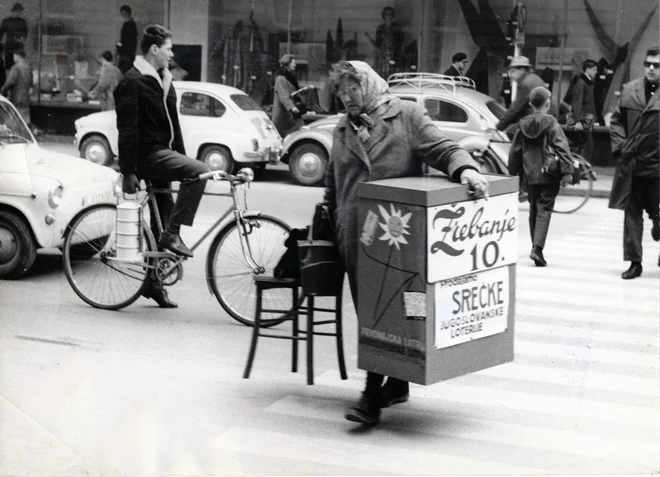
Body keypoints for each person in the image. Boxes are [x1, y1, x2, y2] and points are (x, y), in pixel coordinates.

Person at [323, 61, 489, 426]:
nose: (346, 97)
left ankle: (370, 395)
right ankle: (395, 384)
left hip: (399, 236)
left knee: (389, 310)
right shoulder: (341, 127)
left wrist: (467, 170)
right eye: (341, 91)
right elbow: (334, 184)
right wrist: (330, 220)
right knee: (370, 310)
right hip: (355, 233)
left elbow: (445, 149)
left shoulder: (407, 116)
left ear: (367, 84)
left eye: (352, 89)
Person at [114, 25, 209, 307]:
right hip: (147, 156)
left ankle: (152, 285)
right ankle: (172, 234)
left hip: (163, 154)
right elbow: (127, 130)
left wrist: (182, 158)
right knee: (200, 171)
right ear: (154, 50)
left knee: (163, 217)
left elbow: (174, 126)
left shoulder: (164, 79)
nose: (172, 53)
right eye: (168, 48)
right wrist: (128, 171)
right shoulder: (132, 81)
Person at [608, 46, 660, 280]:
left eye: (656, 65)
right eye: (648, 63)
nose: (651, 68)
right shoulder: (630, 89)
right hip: (632, 165)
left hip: (658, 168)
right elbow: (617, 120)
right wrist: (620, 145)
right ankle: (634, 262)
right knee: (631, 216)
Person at [509, 87, 574, 267]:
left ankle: (535, 246)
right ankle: (537, 248)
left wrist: (512, 173)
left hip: (530, 175)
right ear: (547, 103)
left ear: (530, 104)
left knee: (534, 211)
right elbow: (562, 147)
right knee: (544, 210)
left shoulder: (522, 124)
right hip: (550, 174)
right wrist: (568, 171)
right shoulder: (551, 122)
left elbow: (515, 151)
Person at [496, 56, 546, 133]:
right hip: (541, 122)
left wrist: (499, 126)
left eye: (513, 71)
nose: (511, 75)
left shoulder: (526, 84)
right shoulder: (534, 78)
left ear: (522, 70)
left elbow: (515, 109)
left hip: (534, 125)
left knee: (509, 132)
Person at [567, 59, 598, 162]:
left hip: (585, 120)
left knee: (584, 146)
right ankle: (582, 169)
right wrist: (578, 121)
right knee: (587, 145)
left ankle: (580, 168)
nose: (596, 72)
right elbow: (578, 102)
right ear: (587, 69)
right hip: (583, 121)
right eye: (594, 70)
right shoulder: (582, 83)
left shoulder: (585, 83)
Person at [364, 7, 404, 80]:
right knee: (382, 73)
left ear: (393, 15)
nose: (388, 16)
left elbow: (400, 42)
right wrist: (369, 38)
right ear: (383, 15)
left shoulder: (397, 27)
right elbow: (377, 44)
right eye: (386, 14)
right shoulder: (380, 28)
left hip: (393, 54)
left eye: (390, 14)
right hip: (382, 55)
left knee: (392, 73)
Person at [272, 54, 304, 138]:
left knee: (296, 133)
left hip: (289, 112)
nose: (295, 64)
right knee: (283, 136)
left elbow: (292, 91)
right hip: (283, 113)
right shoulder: (281, 78)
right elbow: (283, 95)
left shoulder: (289, 76)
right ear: (288, 64)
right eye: (293, 63)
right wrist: (292, 107)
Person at [1, 49, 32, 128]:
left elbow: (10, 81)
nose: (14, 58)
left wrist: (2, 90)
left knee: (14, 114)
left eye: (14, 56)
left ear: (18, 56)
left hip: (16, 95)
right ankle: (26, 129)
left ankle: (14, 130)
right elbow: (31, 82)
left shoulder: (15, 68)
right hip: (26, 95)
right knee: (24, 114)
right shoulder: (28, 67)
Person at [0, 3, 27, 71]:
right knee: (9, 66)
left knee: (19, 66)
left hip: (19, 47)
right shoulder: (6, 21)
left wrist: (21, 38)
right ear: (13, 11)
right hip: (9, 46)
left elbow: (25, 35)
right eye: (17, 11)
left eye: (20, 11)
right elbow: (1, 33)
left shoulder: (23, 22)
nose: (18, 13)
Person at [117, 5, 138, 74]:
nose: (123, 15)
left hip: (127, 54)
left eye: (124, 13)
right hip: (127, 53)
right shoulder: (129, 24)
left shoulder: (129, 25)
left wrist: (119, 46)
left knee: (123, 71)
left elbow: (126, 40)